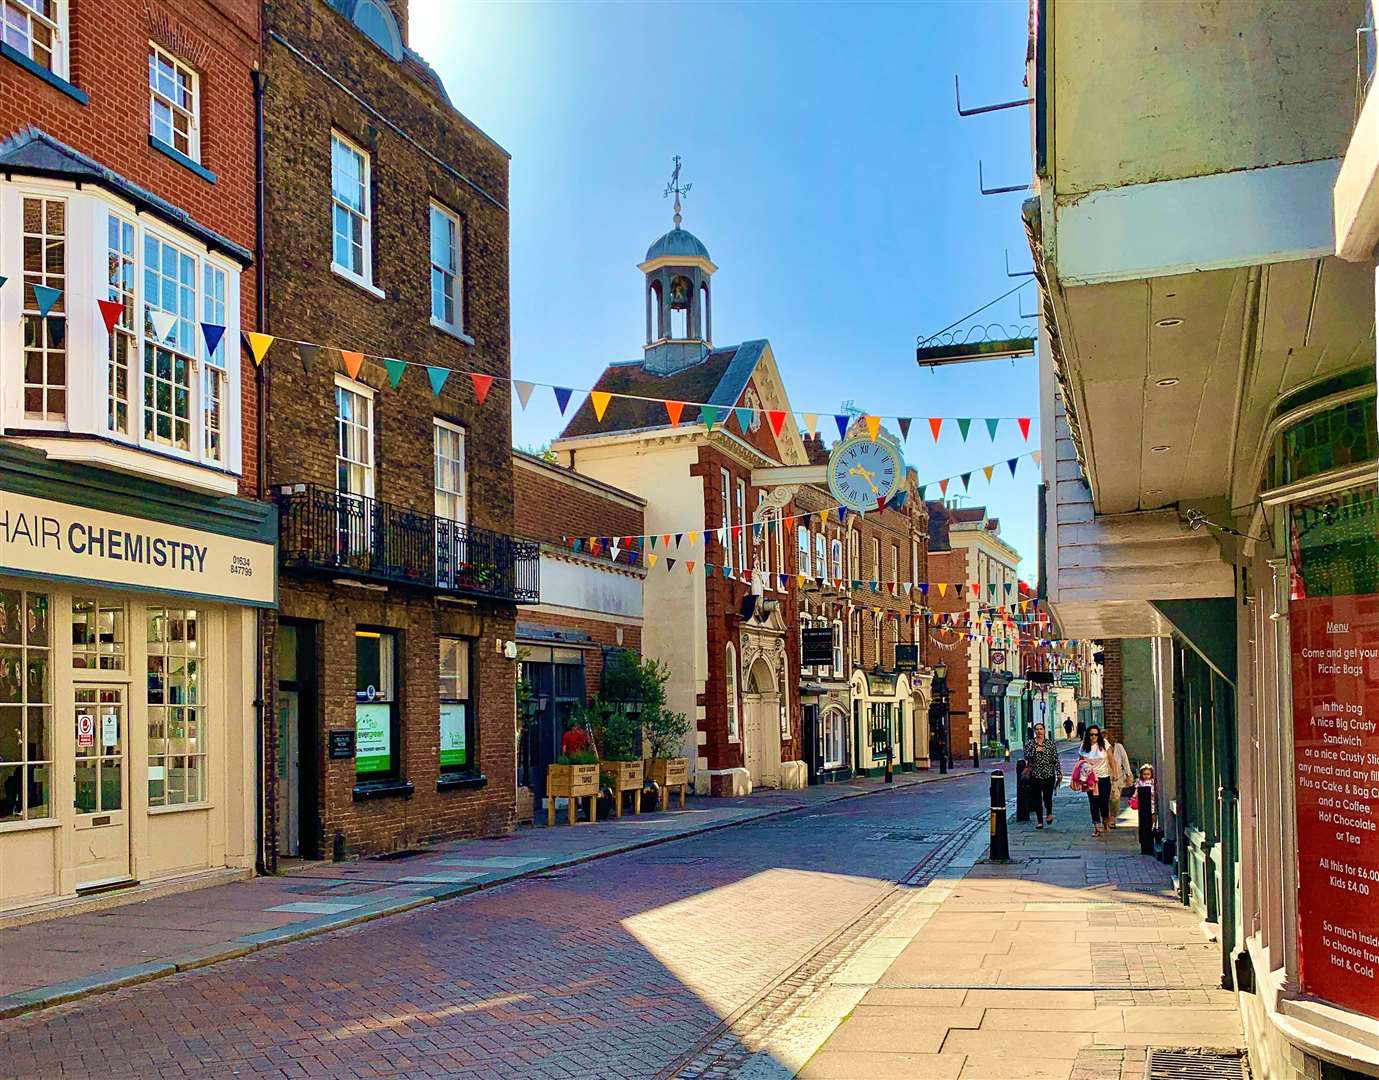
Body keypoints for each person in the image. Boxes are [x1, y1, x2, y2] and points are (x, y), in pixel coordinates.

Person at [1022, 721, 1061, 829]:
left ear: (1044, 730)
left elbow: (1055, 759)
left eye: (1041, 729)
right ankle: (1039, 821)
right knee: (1037, 798)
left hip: (1049, 774)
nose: (1039, 731)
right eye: (1037, 729)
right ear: (1034, 731)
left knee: (1047, 797)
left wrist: (1059, 772)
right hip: (1035, 774)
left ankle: (1049, 813)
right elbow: (1027, 756)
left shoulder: (1050, 744)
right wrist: (1036, 749)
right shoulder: (1030, 743)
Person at [1079, 723, 1112, 836]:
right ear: (1088, 735)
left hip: (1104, 777)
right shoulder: (1084, 746)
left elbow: (1112, 760)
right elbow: (1080, 762)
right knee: (1093, 802)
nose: (1093, 737)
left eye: (1096, 735)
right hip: (1090, 779)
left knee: (1104, 801)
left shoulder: (1104, 744)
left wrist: (1116, 774)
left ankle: (1105, 821)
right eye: (1091, 735)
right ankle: (1097, 827)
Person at [1105, 732, 1132, 826]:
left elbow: (1125, 761)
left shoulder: (1118, 747)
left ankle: (1112, 817)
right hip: (1104, 777)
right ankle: (1106, 818)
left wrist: (1128, 774)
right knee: (1105, 799)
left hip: (1118, 777)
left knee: (1115, 799)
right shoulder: (1099, 749)